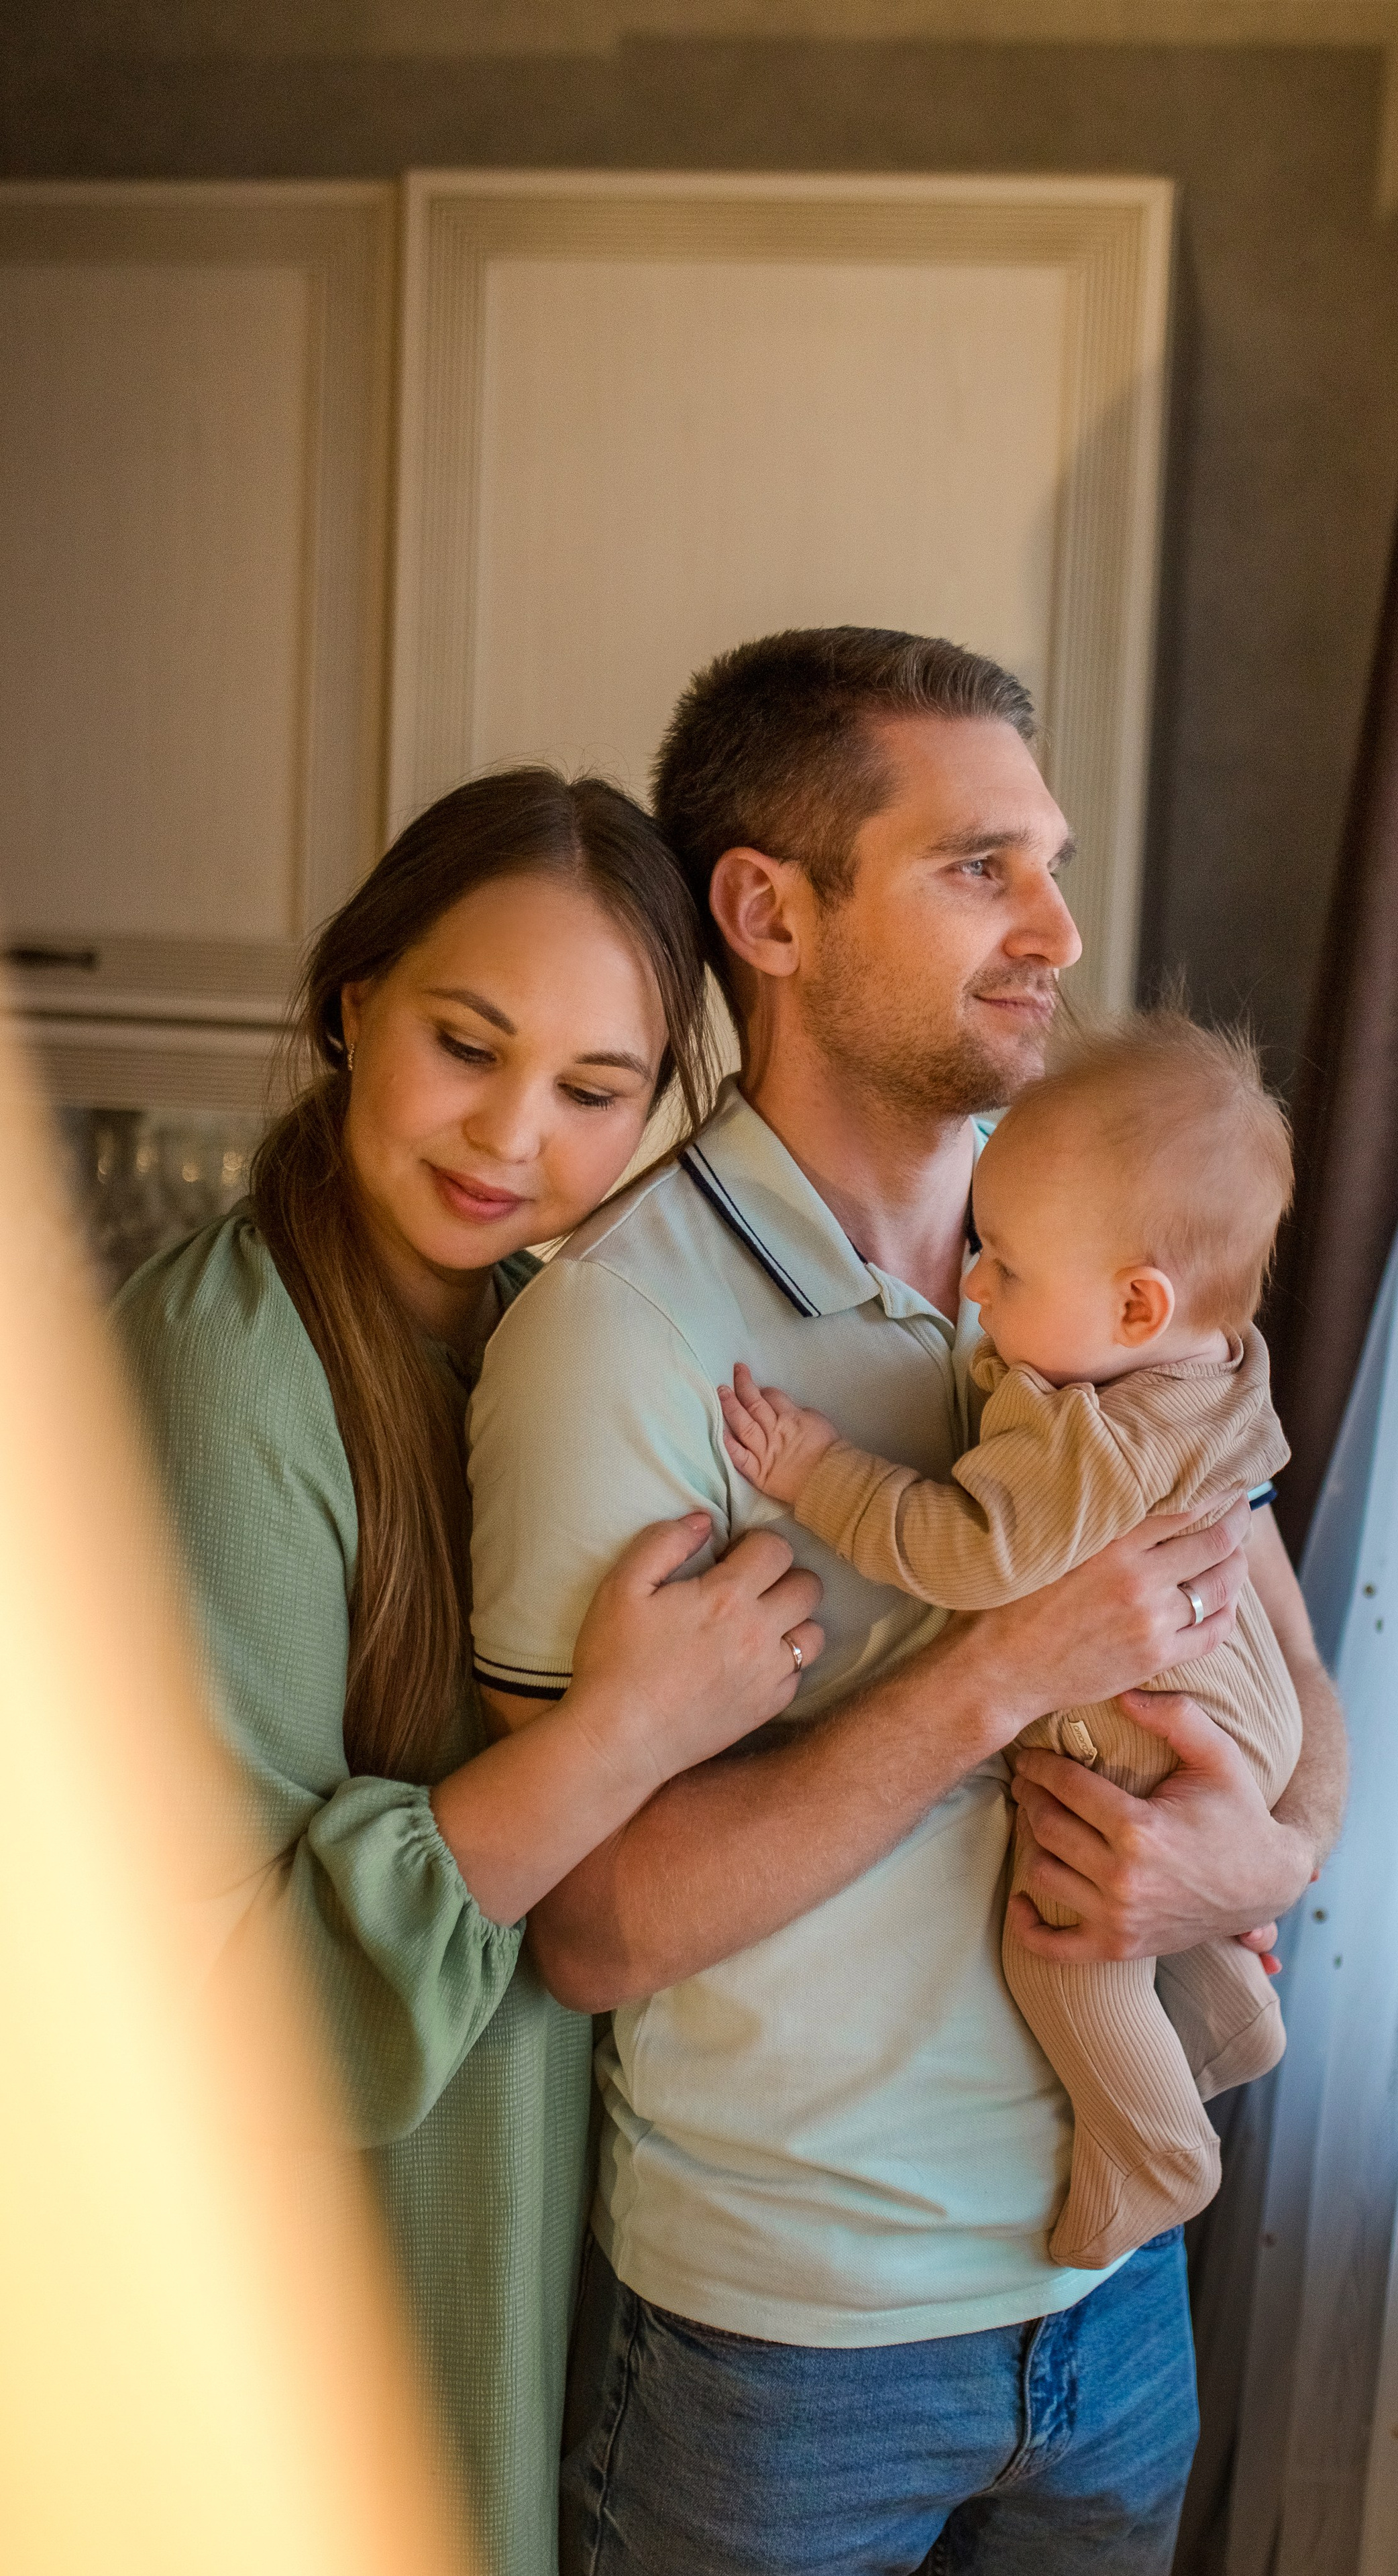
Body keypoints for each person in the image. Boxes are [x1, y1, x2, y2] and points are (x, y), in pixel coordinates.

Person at [469, 630, 1348, 2575]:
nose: (1055, 922)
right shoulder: (617, 1337)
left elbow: (1295, 1676)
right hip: (791, 2357)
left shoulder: (1108, 1248)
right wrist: (1001, 1670)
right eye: (980, 868)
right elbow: (591, 1933)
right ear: (769, 913)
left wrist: (1254, 1870)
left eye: (1046, 859)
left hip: (1115, 2305)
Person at [113, 769, 826, 2576]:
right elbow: (224, 1996)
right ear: (353, 1001)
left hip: (527, 2263)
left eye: (595, 1091)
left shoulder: (551, 1344)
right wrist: (634, 1727)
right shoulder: (225, 1373)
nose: (513, 1132)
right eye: (467, 1042)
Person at [717, 1005, 1301, 2278]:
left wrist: (821, 1474)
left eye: (1008, 1268)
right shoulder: (1218, 1362)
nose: (976, 1288)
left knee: (1063, 1947)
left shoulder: (1087, 1445)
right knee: (1139, 1900)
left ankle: (1156, 2151)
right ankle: (1229, 2004)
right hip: (1239, 1689)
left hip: (1144, 1717)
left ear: (1138, 1301)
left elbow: (959, 1548)